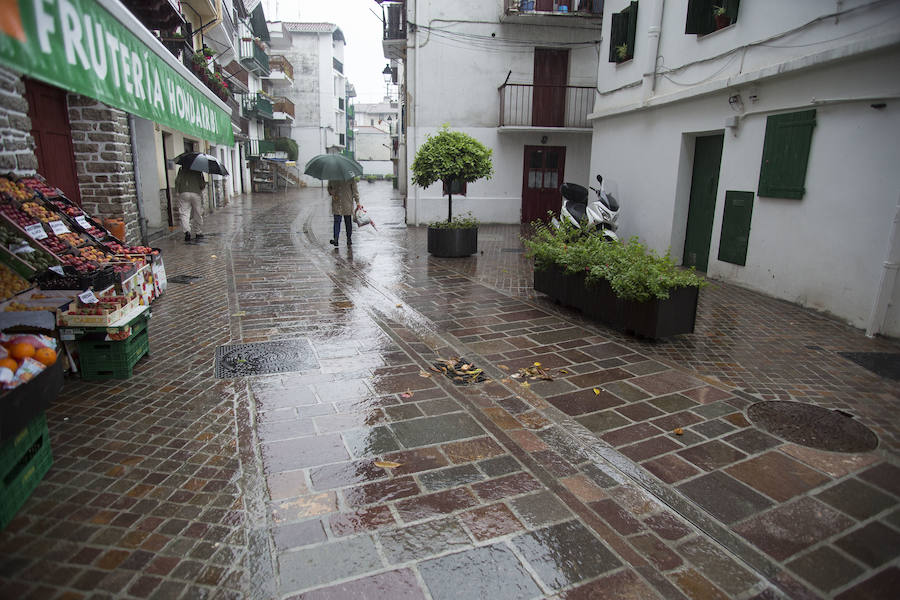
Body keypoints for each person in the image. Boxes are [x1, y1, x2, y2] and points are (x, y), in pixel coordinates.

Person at [175, 166, 206, 241]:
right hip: (196, 192)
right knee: (197, 212)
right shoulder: (198, 169)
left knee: (184, 213)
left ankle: (187, 232)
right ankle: (198, 232)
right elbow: (202, 183)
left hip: (184, 192)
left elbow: (177, 181)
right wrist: (201, 187)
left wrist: (177, 190)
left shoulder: (182, 169)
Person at [327, 178, 359, 247]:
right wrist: (332, 193)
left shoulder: (350, 178)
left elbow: (355, 190)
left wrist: (357, 201)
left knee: (347, 222)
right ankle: (336, 239)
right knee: (337, 221)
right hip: (337, 203)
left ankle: (348, 238)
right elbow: (329, 189)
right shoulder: (332, 177)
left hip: (347, 203)